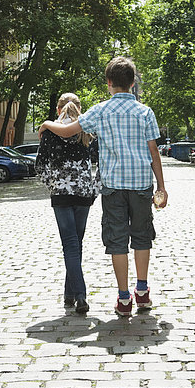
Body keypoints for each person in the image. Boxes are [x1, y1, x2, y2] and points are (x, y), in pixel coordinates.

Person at [38, 57, 168, 317]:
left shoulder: (100, 111)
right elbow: (154, 151)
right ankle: (141, 291)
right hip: (142, 184)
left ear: (109, 83)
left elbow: (67, 131)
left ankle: (123, 298)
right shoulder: (145, 112)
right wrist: (161, 187)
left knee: (117, 240)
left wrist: (46, 124)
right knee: (142, 236)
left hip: (113, 187)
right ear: (132, 83)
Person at [36, 93, 100, 314]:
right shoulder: (88, 133)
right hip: (83, 195)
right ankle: (69, 294)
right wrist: (94, 189)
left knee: (70, 245)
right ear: (80, 108)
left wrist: (53, 185)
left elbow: (40, 167)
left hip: (61, 195)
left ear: (57, 109)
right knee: (76, 245)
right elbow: (104, 163)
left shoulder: (49, 133)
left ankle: (80, 295)